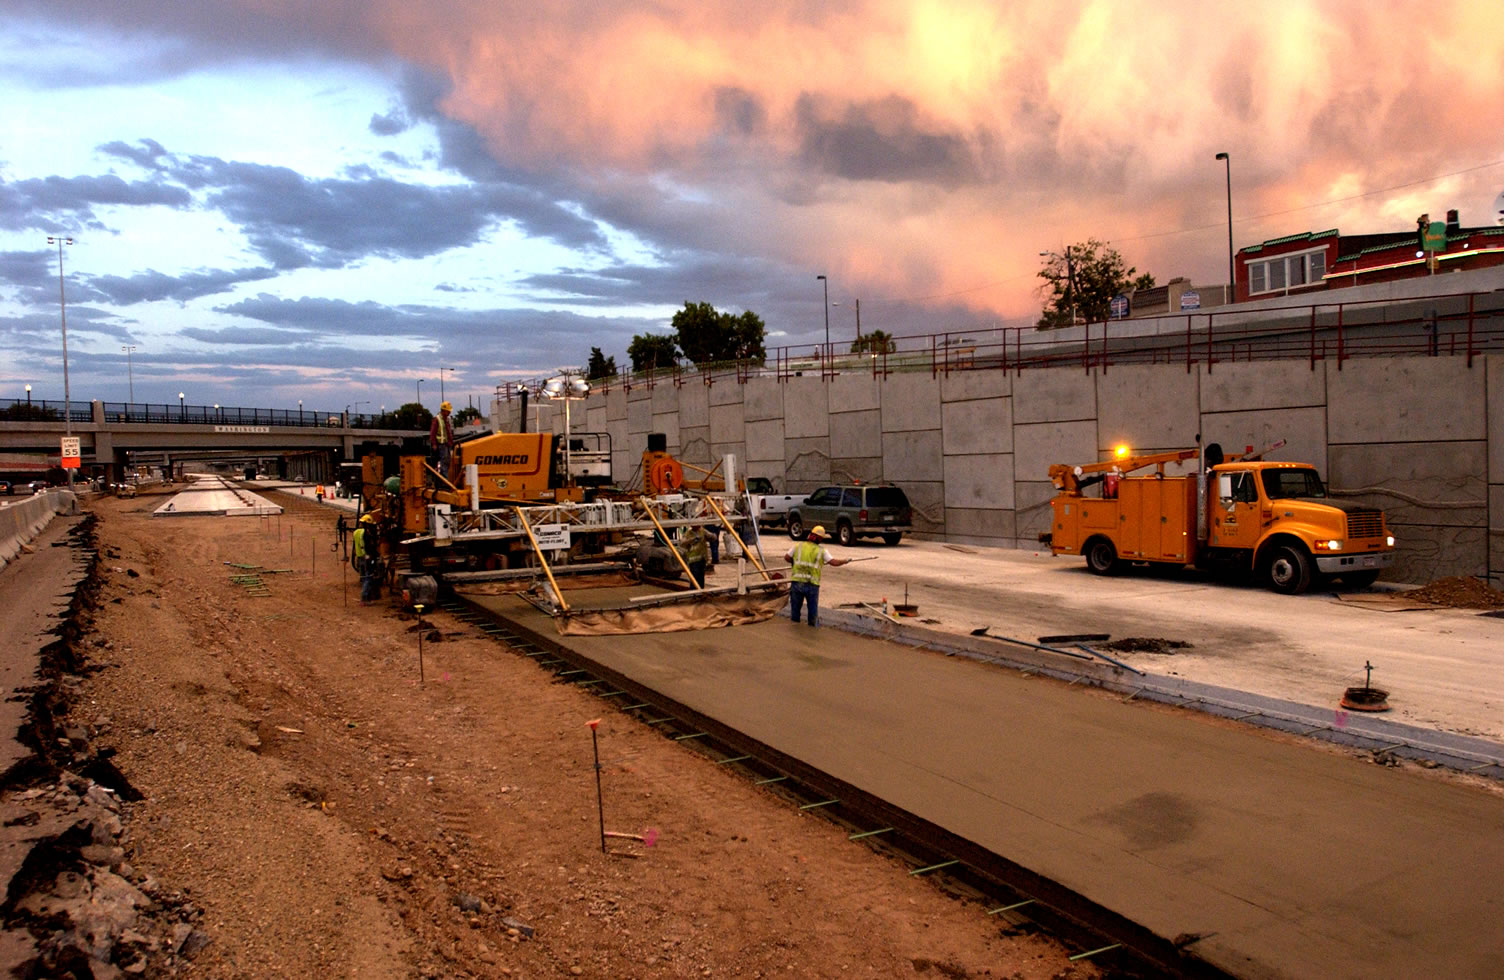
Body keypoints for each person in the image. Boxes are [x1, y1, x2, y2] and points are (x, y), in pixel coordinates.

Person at [783, 525, 850, 626]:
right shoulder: (822, 551)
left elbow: (787, 557)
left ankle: (795, 629)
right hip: (812, 585)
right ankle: (812, 631)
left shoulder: (798, 546)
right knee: (813, 614)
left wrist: (794, 563)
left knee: (795, 614)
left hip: (797, 583)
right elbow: (833, 562)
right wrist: (844, 561)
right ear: (820, 539)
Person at [353, 514, 380, 604]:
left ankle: (367, 597)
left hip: (359, 557)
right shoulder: (365, 534)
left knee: (364, 577)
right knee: (369, 577)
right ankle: (364, 598)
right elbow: (367, 545)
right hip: (366, 557)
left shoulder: (356, 532)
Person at [429, 401, 457, 483]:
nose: (449, 412)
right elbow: (432, 433)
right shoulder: (437, 419)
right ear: (443, 411)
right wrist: (434, 444)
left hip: (446, 444)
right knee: (444, 462)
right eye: (448, 411)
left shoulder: (446, 420)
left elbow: (448, 432)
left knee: (447, 462)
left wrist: (451, 442)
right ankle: (444, 481)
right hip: (440, 444)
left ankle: (444, 480)